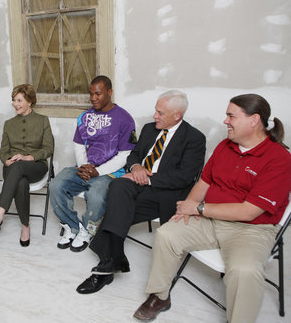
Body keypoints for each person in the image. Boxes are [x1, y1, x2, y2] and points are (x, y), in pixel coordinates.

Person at [133, 94, 291, 323]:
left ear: (253, 120)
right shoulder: (225, 146)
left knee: (245, 271)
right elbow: (204, 182)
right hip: (207, 219)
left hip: (250, 229)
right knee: (167, 233)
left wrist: (198, 208)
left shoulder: (278, 158)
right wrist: (185, 210)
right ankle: (160, 296)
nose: (225, 121)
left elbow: (249, 212)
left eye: (231, 116)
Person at [75, 90, 206, 294]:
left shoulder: (194, 138)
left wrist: (148, 177)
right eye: (156, 111)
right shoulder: (148, 129)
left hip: (164, 192)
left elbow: (185, 177)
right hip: (136, 183)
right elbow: (134, 154)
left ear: (177, 115)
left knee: (115, 211)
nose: (155, 116)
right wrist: (136, 168)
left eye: (160, 113)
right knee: (118, 185)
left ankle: (106, 268)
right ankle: (114, 258)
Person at [50, 75, 136, 252]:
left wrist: (98, 171)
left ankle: (87, 231)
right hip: (85, 168)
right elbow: (79, 144)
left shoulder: (125, 119)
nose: (93, 98)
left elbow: (125, 155)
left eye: (98, 94)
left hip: (111, 172)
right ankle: (73, 226)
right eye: (91, 94)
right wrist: (84, 166)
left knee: (97, 196)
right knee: (56, 185)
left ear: (110, 92)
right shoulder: (85, 116)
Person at [0, 84, 54, 247]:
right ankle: (25, 226)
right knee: (20, 181)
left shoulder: (42, 121)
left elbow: (48, 148)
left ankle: (0, 212)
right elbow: (4, 151)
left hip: (35, 166)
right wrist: (6, 160)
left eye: (19, 100)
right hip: (12, 166)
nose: (15, 104)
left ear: (30, 101)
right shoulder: (8, 124)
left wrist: (29, 157)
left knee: (19, 165)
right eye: (14, 100)